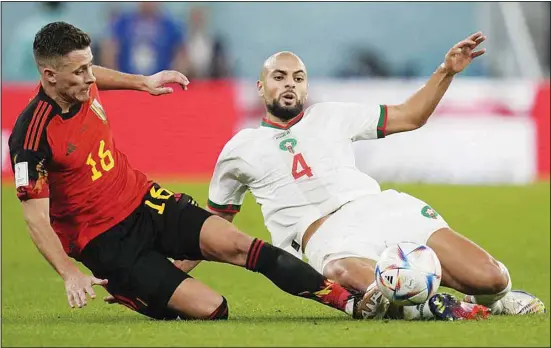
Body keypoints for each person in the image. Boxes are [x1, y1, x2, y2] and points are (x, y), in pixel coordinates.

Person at [8, 21, 384, 321]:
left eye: (90, 66)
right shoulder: (32, 136)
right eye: (79, 72)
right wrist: (68, 273)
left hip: (143, 199)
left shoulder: (81, 82)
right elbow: (36, 219)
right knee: (212, 308)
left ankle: (349, 303)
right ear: (49, 75)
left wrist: (142, 82)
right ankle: (132, 292)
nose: (90, 79)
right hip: (105, 240)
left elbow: (94, 74)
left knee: (239, 244)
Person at [203, 32, 546, 320]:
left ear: (306, 88)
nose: (289, 84)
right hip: (329, 238)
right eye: (279, 77)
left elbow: (410, 117)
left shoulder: (332, 115)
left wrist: (446, 71)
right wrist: (169, 268)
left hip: (382, 209)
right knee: (350, 276)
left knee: (493, 278)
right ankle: (432, 307)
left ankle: (487, 301)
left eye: (298, 77)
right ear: (261, 88)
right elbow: (213, 225)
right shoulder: (240, 149)